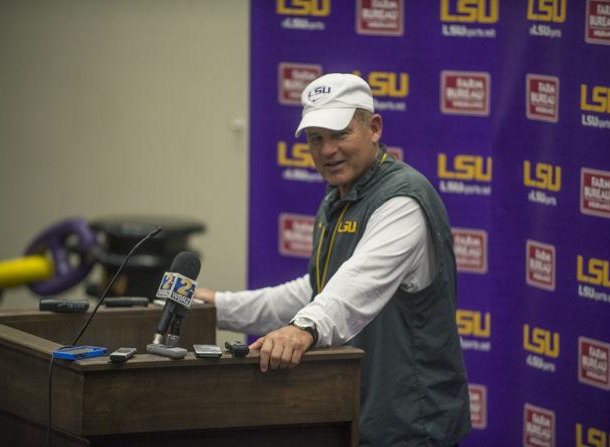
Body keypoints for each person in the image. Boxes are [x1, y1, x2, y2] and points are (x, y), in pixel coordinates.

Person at [196, 73, 471, 446]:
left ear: (374, 128)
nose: (327, 150)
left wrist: (303, 328)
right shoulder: (338, 198)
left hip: (410, 426)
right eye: (316, 138)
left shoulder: (403, 201)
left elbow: (356, 286)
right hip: (354, 416)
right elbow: (315, 292)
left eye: (340, 134)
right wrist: (216, 308)